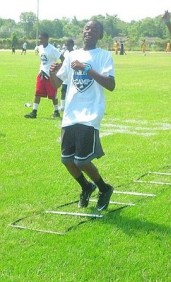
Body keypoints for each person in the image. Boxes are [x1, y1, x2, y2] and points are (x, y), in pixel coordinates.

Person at [49, 20, 116, 211]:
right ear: (82, 31)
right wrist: (52, 73)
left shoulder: (104, 56)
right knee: (67, 160)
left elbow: (110, 85)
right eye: (87, 28)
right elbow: (57, 84)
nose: (90, 32)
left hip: (90, 113)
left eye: (95, 30)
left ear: (100, 35)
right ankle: (86, 187)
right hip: (70, 113)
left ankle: (104, 189)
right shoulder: (71, 55)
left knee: (82, 160)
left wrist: (87, 69)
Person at [24, 32, 64, 119]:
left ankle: (56, 111)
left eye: (41, 38)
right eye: (39, 38)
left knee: (53, 95)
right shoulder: (40, 48)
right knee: (37, 93)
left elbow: (62, 58)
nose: (40, 40)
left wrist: (57, 67)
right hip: (41, 73)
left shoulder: (52, 49)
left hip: (50, 75)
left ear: (46, 38)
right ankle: (34, 112)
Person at [59, 38, 75, 111]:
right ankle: (62, 106)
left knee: (72, 91)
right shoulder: (65, 52)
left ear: (72, 45)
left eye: (68, 45)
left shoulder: (76, 53)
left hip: (72, 75)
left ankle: (72, 105)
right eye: (66, 45)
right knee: (63, 90)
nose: (67, 46)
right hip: (66, 75)